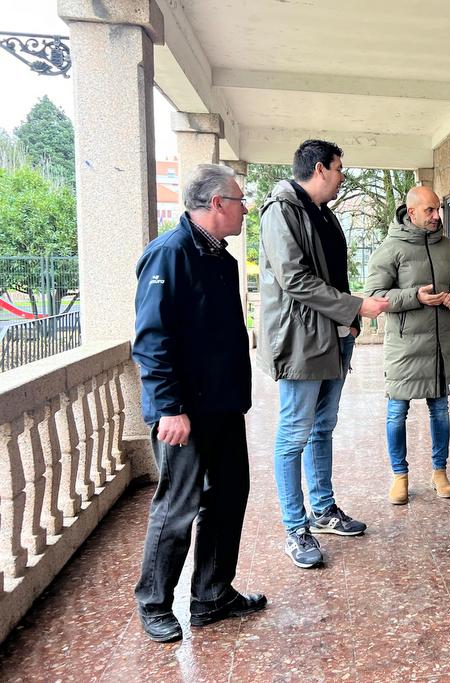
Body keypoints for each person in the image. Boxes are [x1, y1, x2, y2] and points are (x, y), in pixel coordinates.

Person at [133, 164, 265, 642]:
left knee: (229, 498)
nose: (245, 209)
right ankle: (153, 603)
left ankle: (212, 595)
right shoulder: (169, 254)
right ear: (217, 204)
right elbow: (151, 340)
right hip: (184, 412)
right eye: (240, 200)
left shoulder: (220, 258)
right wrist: (169, 408)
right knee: (178, 507)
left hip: (224, 407)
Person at [258, 139, 389, 568]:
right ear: (319, 169)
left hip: (333, 336)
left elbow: (331, 274)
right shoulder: (281, 211)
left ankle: (323, 509)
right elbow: (294, 279)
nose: (342, 177)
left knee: (322, 428)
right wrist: (355, 307)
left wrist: (349, 321)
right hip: (301, 342)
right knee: (294, 433)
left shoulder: (322, 213)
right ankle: (295, 528)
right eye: (338, 169)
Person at [364, 186, 450, 504]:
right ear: (411, 212)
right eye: (430, 210)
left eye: (438, 209)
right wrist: (415, 297)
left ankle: (440, 472)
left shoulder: (447, 247)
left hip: (441, 347)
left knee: (440, 410)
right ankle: (400, 476)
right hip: (405, 349)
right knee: (397, 412)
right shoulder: (390, 248)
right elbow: (375, 296)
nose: (438, 215)